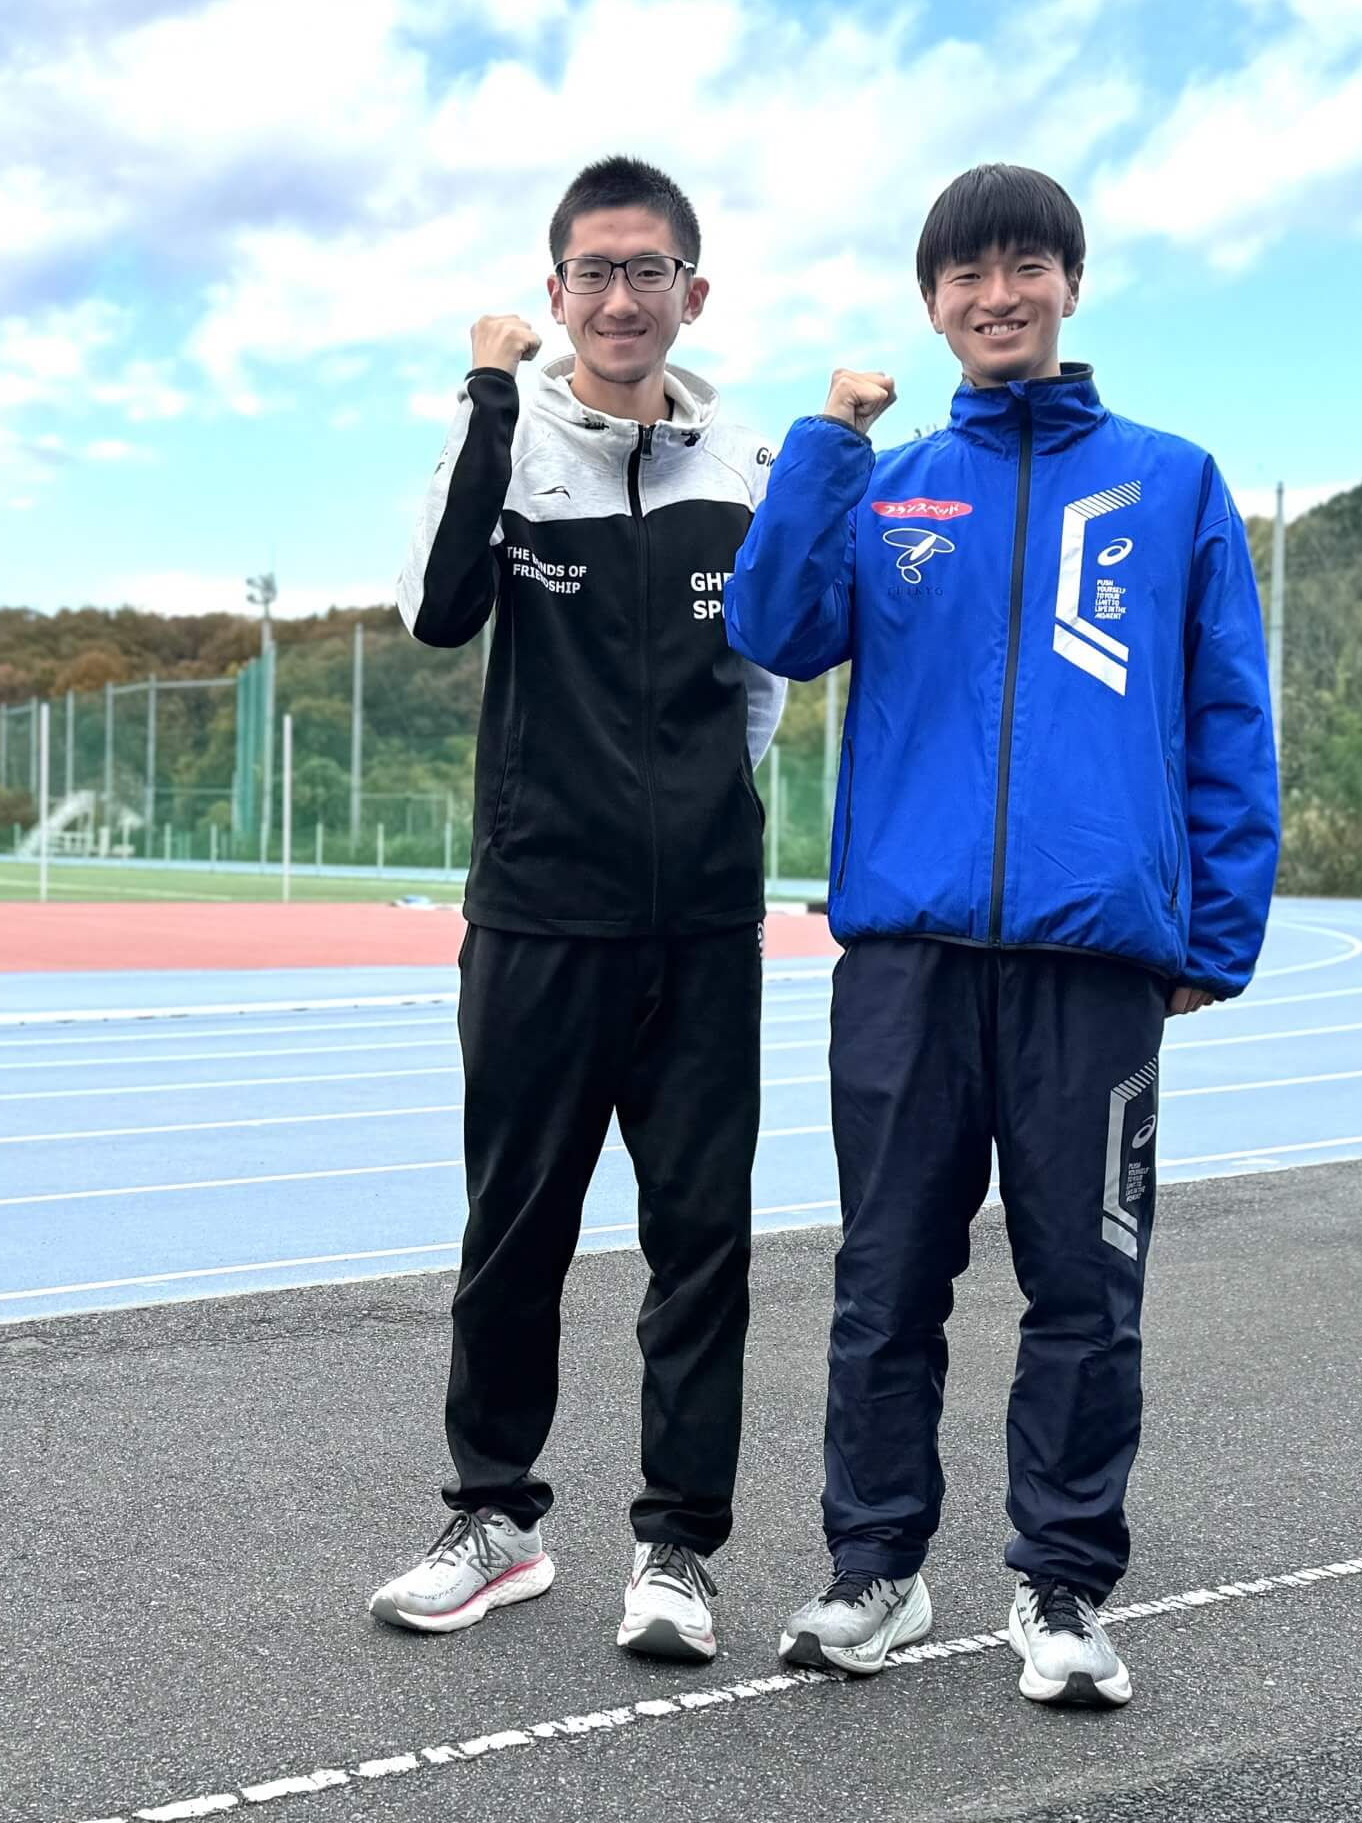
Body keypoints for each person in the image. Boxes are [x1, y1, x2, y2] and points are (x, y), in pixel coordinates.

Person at [726, 163, 1278, 1707]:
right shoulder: (890, 482)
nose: (995, 296)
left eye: (1022, 265)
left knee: (1086, 1290)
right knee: (884, 1278)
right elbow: (769, 628)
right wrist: (828, 447)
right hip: (905, 963)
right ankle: (876, 1574)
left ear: (1070, 283)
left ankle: (1061, 1592)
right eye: (964, 276)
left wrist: (1211, 931)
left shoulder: (1171, 482)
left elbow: (1231, 718)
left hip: (1092, 967)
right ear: (931, 303)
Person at [367, 156, 785, 1665]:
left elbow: (760, 697)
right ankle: (493, 1520)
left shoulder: (742, 465)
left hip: (699, 934)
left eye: (648, 271)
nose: (622, 298)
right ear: (554, 298)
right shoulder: (508, 437)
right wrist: (490, 400)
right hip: (541, 917)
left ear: (693, 291)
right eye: (593, 274)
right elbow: (435, 607)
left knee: (703, 1242)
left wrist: (714, 855)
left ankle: (679, 1551)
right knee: (515, 1232)